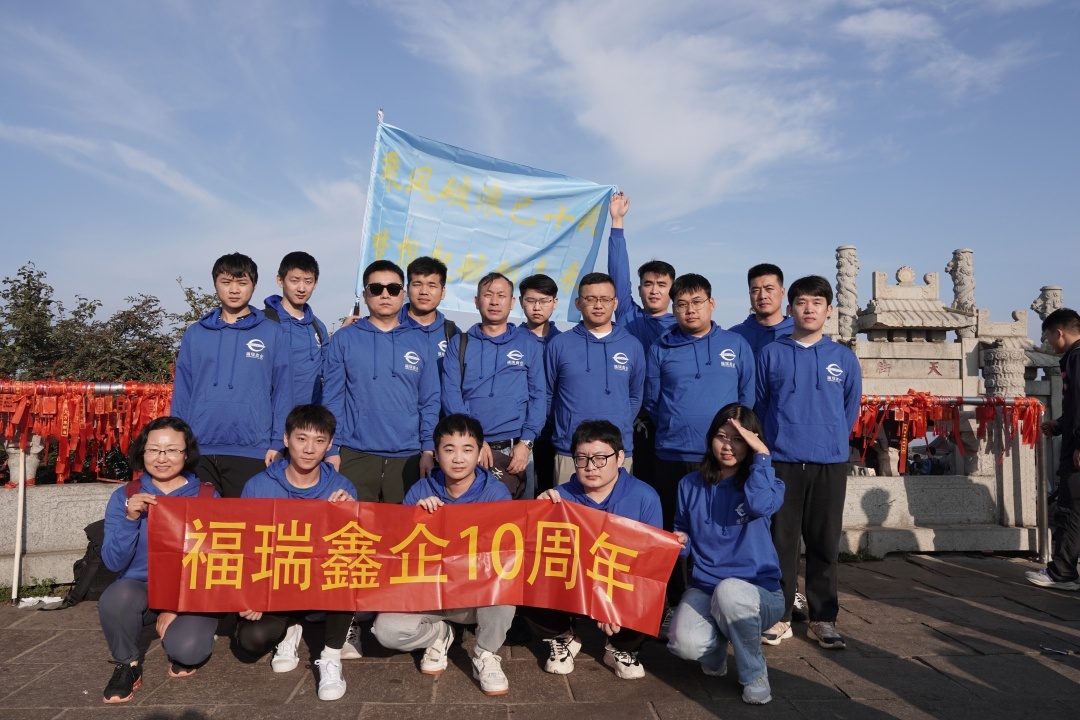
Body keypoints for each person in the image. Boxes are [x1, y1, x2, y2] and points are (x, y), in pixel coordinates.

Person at [372, 414, 515, 696]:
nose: (458, 458)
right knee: (386, 630)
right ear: (436, 455)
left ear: (480, 452)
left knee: (506, 587)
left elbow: (506, 554)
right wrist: (415, 518)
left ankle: (485, 653)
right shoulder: (421, 489)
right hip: (429, 595)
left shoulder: (496, 493)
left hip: (474, 599)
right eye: (449, 449)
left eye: (467, 449)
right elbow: (398, 551)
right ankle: (439, 635)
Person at [755, 275, 861, 649]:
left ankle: (823, 618)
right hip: (782, 462)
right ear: (790, 309)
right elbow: (761, 406)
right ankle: (780, 616)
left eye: (817, 302)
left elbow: (849, 410)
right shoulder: (771, 354)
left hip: (829, 463)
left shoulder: (843, 358)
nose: (809, 309)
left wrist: (829, 440)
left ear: (829, 310)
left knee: (824, 543)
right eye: (802, 302)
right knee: (781, 544)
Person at [644, 273, 755, 619]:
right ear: (673, 309)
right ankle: (676, 602)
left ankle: (721, 601)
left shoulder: (736, 344)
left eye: (696, 302)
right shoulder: (660, 348)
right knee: (673, 534)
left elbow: (747, 399)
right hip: (672, 455)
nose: (690, 310)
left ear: (712, 303)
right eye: (681, 305)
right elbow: (651, 401)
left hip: (722, 459)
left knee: (718, 530)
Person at [235, 404, 357, 701]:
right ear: (286, 439)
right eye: (301, 439)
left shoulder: (342, 487)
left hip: (322, 585)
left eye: (319, 441)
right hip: (276, 587)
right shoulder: (258, 486)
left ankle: (331, 656)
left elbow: (353, 550)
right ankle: (291, 628)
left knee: (346, 569)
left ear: (329, 444)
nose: (309, 449)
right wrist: (248, 594)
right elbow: (243, 547)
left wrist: (348, 512)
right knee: (250, 641)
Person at [666, 404, 786, 705]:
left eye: (739, 439)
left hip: (759, 593)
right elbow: (684, 531)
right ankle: (716, 653)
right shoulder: (688, 484)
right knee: (682, 644)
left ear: (752, 442)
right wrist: (682, 541)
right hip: (705, 588)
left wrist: (762, 456)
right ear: (711, 438)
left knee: (730, 591)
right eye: (722, 436)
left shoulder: (767, 483)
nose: (728, 446)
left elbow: (760, 506)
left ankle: (754, 674)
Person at [528, 419, 663, 680]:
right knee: (528, 576)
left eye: (600, 458)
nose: (590, 467)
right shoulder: (558, 497)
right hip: (574, 584)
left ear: (620, 457)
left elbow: (651, 562)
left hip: (620, 583)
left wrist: (614, 602)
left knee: (654, 592)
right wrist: (537, 514)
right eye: (582, 459)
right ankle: (562, 636)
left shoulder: (645, 496)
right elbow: (536, 554)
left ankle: (620, 647)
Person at [98, 417, 220, 704]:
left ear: (186, 454)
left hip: (191, 591)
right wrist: (130, 518)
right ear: (142, 452)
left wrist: (174, 605)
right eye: (153, 450)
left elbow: (213, 564)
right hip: (141, 588)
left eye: (172, 450)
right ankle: (127, 664)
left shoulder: (207, 496)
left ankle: (193, 632)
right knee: (117, 596)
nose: (162, 458)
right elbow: (113, 562)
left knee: (187, 652)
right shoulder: (125, 496)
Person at [171, 252, 293, 498]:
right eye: (226, 282)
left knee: (246, 520)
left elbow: (284, 393)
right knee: (200, 520)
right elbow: (182, 392)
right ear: (215, 284)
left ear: (254, 285)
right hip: (199, 448)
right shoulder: (195, 334)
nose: (234, 290)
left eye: (242, 282)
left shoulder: (273, 333)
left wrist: (277, 444)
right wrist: (176, 442)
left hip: (254, 450)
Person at [322, 259, 439, 502]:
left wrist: (428, 449)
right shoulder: (344, 339)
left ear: (403, 294)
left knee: (405, 524)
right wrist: (331, 450)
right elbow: (333, 399)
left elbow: (429, 401)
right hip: (355, 454)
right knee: (352, 524)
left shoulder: (421, 341)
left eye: (393, 289)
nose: (385, 295)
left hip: (408, 457)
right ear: (365, 295)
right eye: (376, 289)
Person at [442, 273, 545, 499]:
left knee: (519, 516)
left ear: (512, 302)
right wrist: (474, 440)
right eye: (488, 295)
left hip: (517, 450)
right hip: (471, 448)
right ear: (477, 301)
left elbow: (539, 397)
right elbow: (451, 395)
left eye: (501, 295)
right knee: (474, 515)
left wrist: (526, 443)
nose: (495, 301)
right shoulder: (460, 343)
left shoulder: (528, 343)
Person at [606, 190, 677, 492]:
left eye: (662, 284)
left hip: (667, 421)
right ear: (639, 289)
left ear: (673, 290)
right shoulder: (628, 315)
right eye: (648, 284)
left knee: (663, 491)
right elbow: (618, 274)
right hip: (629, 420)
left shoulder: (682, 328)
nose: (654, 290)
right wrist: (617, 223)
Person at [545, 273, 645, 486]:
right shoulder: (559, 344)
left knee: (617, 508)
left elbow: (635, 396)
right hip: (570, 451)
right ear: (578, 303)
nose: (598, 305)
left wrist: (618, 420)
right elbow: (547, 395)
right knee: (567, 508)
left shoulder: (632, 346)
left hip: (617, 451)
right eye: (590, 299)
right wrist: (567, 423)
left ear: (615, 303)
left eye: (605, 299)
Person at [1027, 308, 1080, 591]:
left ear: (1059, 332)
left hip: (1077, 451)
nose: (1047, 342)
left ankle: (1062, 573)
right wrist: (1059, 425)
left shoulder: (1076, 357)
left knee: (1070, 510)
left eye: (1048, 336)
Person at [262, 251, 329, 405]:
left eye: (308, 281)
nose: (301, 288)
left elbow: (329, 369)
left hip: (309, 416)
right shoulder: (264, 322)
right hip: (272, 413)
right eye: (295, 280)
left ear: (315, 284)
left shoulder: (318, 327)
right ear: (280, 280)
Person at [518, 273, 561, 494]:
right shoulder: (511, 340)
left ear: (555, 302)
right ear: (520, 301)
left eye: (544, 301)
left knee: (550, 493)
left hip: (555, 433)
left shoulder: (564, 342)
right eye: (531, 300)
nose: (537, 307)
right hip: (519, 433)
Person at [730, 264, 794, 356]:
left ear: (782, 292)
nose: (762, 296)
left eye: (769, 289)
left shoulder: (799, 332)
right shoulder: (734, 335)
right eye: (755, 291)